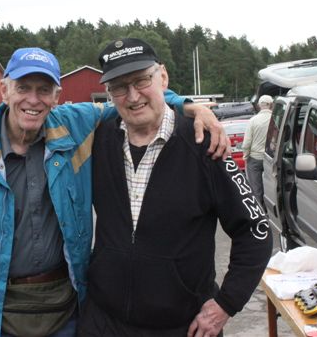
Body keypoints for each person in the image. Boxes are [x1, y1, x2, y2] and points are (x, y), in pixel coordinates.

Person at [0, 47, 229, 337]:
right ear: (4, 90)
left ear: (57, 96)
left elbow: (134, 100)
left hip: (66, 317)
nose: (33, 100)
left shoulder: (75, 127)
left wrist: (188, 106)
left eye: (44, 90)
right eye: (23, 88)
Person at [78, 38, 273, 337]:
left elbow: (255, 230)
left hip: (182, 326)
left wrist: (226, 303)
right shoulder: (97, 140)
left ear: (163, 77)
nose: (133, 96)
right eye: (119, 87)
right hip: (105, 322)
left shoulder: (206, 144)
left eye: (141, 80)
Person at [241, 94, 273, 209]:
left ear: (259, 106)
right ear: (271, 105)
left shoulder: (253, 121)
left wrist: (246, 156)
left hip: (255, 158)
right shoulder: (276, 119)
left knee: (256, 189)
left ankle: (259, 210)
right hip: (271, 158)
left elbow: (246, 143)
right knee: (272, 187)